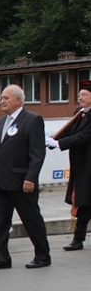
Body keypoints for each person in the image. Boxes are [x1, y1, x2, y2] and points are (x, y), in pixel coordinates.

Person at [0, 85, 51, 270]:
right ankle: (1, 258)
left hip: (21, 181)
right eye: (1, 97)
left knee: (31, 220)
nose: (2, 101)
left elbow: (37, 153)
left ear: (18, 100)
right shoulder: (2, 122)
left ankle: (42, 256)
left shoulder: (32, 120)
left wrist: (31, 178)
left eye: (6, 97)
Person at [46, 80, 91, 251]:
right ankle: (78, 239)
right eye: (80, 95)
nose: (81, 98)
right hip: (80, 165)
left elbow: (85, 136)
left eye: (85, 95)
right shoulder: (78, 112)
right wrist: (52, 140)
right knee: (82, 201)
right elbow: (70, 130)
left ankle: (78, 239)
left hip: (89, 165)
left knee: (85, 202)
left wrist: (59, 144)